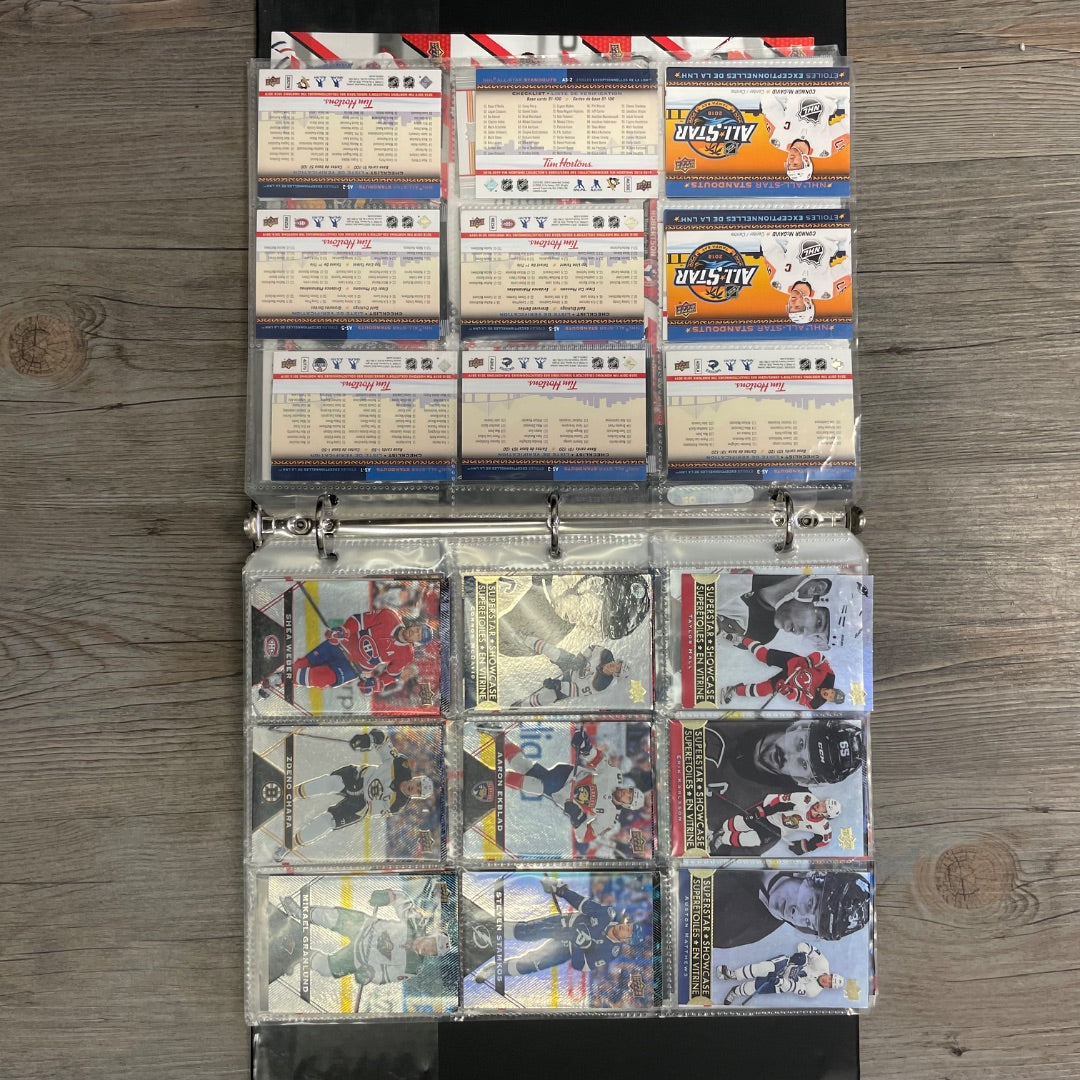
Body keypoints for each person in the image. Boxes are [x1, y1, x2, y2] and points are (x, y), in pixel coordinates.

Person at [697, 717, 863, 857]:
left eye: (803, 764)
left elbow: (710, 856)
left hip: (752, 825)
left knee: (750, 836)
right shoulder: (745, 717)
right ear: (798, 727)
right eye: (800, 743)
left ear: (806, 780)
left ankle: (723, 835)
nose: (788, 756)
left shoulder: (787, 811)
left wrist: (805, 847)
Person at [276, 728, 434, 859]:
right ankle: (291, 794)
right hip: (359, 778)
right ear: (416, 779)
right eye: (418, 785)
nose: (414, 789)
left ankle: (289, 845)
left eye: (418, 792)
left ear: (416, 796)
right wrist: (369, 739)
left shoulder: (398, 804)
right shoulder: (400, 765)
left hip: (361, 805)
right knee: (333, 782)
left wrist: (360, 804)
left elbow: (370, 809)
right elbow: (383, 740)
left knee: (329, 821)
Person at [473, 876, 647, 984]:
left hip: (566, 950)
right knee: (526, 932)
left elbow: (580, 965)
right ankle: (488, 928)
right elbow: (583, 904)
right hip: (565, 925)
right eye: (629, 925)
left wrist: (579, 945)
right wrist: (561, 891)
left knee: (533, 964)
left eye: (628, 931)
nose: (625, 926)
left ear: (626, 940)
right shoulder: (608, 914)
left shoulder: (611, 952)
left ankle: (495, 969)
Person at [500, 726, 649, 852]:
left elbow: (584, 837)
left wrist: (579, 819)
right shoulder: (614, 775)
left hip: (564, 796)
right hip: (568, 775)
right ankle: (496, 778)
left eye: (628, 798)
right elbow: (597, 759)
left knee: (524, 767)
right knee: (537, 786)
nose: (626, 793)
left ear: (626, 805)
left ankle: (501, 740)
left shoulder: (609, 819)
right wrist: (585, 747)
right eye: (629, 791)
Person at [280, 889, 450, 986]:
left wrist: (369, 974)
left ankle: (298, 956)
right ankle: (299, 912)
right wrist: (387, 896)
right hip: (364, 927)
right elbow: (400, 899)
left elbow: (386, 976)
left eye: (432, 952)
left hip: (359, 957)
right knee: (332, 917)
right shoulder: (416, 923)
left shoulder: (413, 967)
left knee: (326, 968)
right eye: (431, 944)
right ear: (430, 935)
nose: (427, 950)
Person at [280, 609, 433, 693]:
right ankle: (280, 677)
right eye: (417, 629)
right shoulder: (389, 616)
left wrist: (376, 683)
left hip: (354, 667)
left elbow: (393, 675)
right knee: (303, 664)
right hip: (341, 645)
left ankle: (280, 679)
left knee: (322, 677)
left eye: (418, 635)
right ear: (414, 625)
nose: (414, 632)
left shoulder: (406, 655)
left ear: (416, 642)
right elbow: (359, 621)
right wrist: (344, 630)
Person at [710, 869, 871, 948]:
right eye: (810, 904)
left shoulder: (740, 931)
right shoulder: (768, 837)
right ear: (812, 878)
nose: (796, 915)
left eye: (808, 923)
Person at [719, 634, 845, 709]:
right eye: (832, 692)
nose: (828, 694)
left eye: (830, 697)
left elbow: (799, 698)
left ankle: (734, 690)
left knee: (763, 690)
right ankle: (741, 639)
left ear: (829, 701)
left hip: (787, 682)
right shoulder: (829, 677)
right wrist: (807, 662)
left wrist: (787, 691)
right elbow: (821, 658)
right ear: (833, 689)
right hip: (795, 663)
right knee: (763, 656)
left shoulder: (815, 703)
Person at [716, 574, 834, 648]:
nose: (800, 633)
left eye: (816, 637)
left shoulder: (761, 634)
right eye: (819, 623)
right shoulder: (762, 563)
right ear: (817, 589)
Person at [760, 234, 850, 325]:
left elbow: (770, 248)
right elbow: (850, 268)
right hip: (828, 234)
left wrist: (767, 230)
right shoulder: (828, 289)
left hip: (796, 231)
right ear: (808, 303)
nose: (792, 303)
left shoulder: (778, 280)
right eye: (797, 306)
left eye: (790, 307)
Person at [510, 639, 630, 707]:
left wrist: (557, 685)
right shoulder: (606, 654)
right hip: (573, 664)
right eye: (618, 663)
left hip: (571, 682)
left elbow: (575, 690)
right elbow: (593, 647)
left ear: (615, 674)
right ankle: (525, 638)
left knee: (548, 696)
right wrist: (581, 658)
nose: (615, 665)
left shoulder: (599, 684)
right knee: (554, 652)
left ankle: (521, 705)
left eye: (617, 669)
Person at [716, 942, 845, 1004]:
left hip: (784, 984)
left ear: (828, 988)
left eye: (829, 984)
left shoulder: (813, 991)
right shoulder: (823, 963)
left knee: (753, 988)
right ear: (831, 974)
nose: (827, 981)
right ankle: (732, 975)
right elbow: (804, 945)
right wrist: (803, 955)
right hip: (786, 964)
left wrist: (780, 981)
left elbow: (794, 987)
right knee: (764, 967)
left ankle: (735, 991)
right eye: (830, 978)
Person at [714, 793, 841, 855]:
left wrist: (805, 847)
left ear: (825, 815)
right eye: (824, 802)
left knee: (753, 839)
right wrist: (762, 812)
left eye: (824, 807)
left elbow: (824, 840)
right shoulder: (806, 799)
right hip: (771, 811)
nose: (821, 803)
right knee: (746, 822)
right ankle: (722, 829)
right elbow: (780, 802)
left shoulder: (822, 827)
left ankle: (722, 839)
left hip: (780, 829)